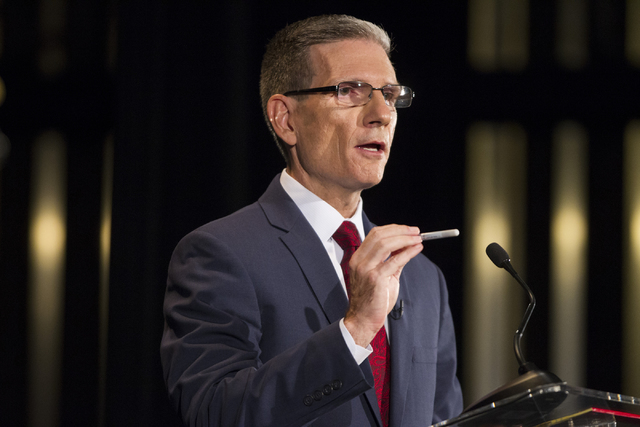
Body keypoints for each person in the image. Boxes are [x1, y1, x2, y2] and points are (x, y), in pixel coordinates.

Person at [161, 14, 463, 427]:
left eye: (390, 95)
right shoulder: (220, 254)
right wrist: (356, 329)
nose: (382, 113)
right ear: (286, 119)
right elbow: (215, 413)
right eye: (351, 91)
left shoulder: (421, 277)